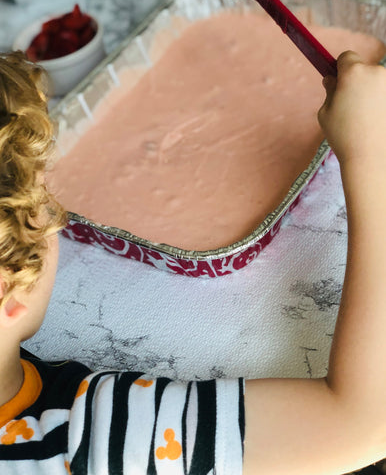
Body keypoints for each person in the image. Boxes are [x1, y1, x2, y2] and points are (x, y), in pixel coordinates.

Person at [0, 48, 385, 475]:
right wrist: (371, 151)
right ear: (8, 285)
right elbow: (362, 422)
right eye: (42, 201)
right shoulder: (88, 444)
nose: (58, 215)